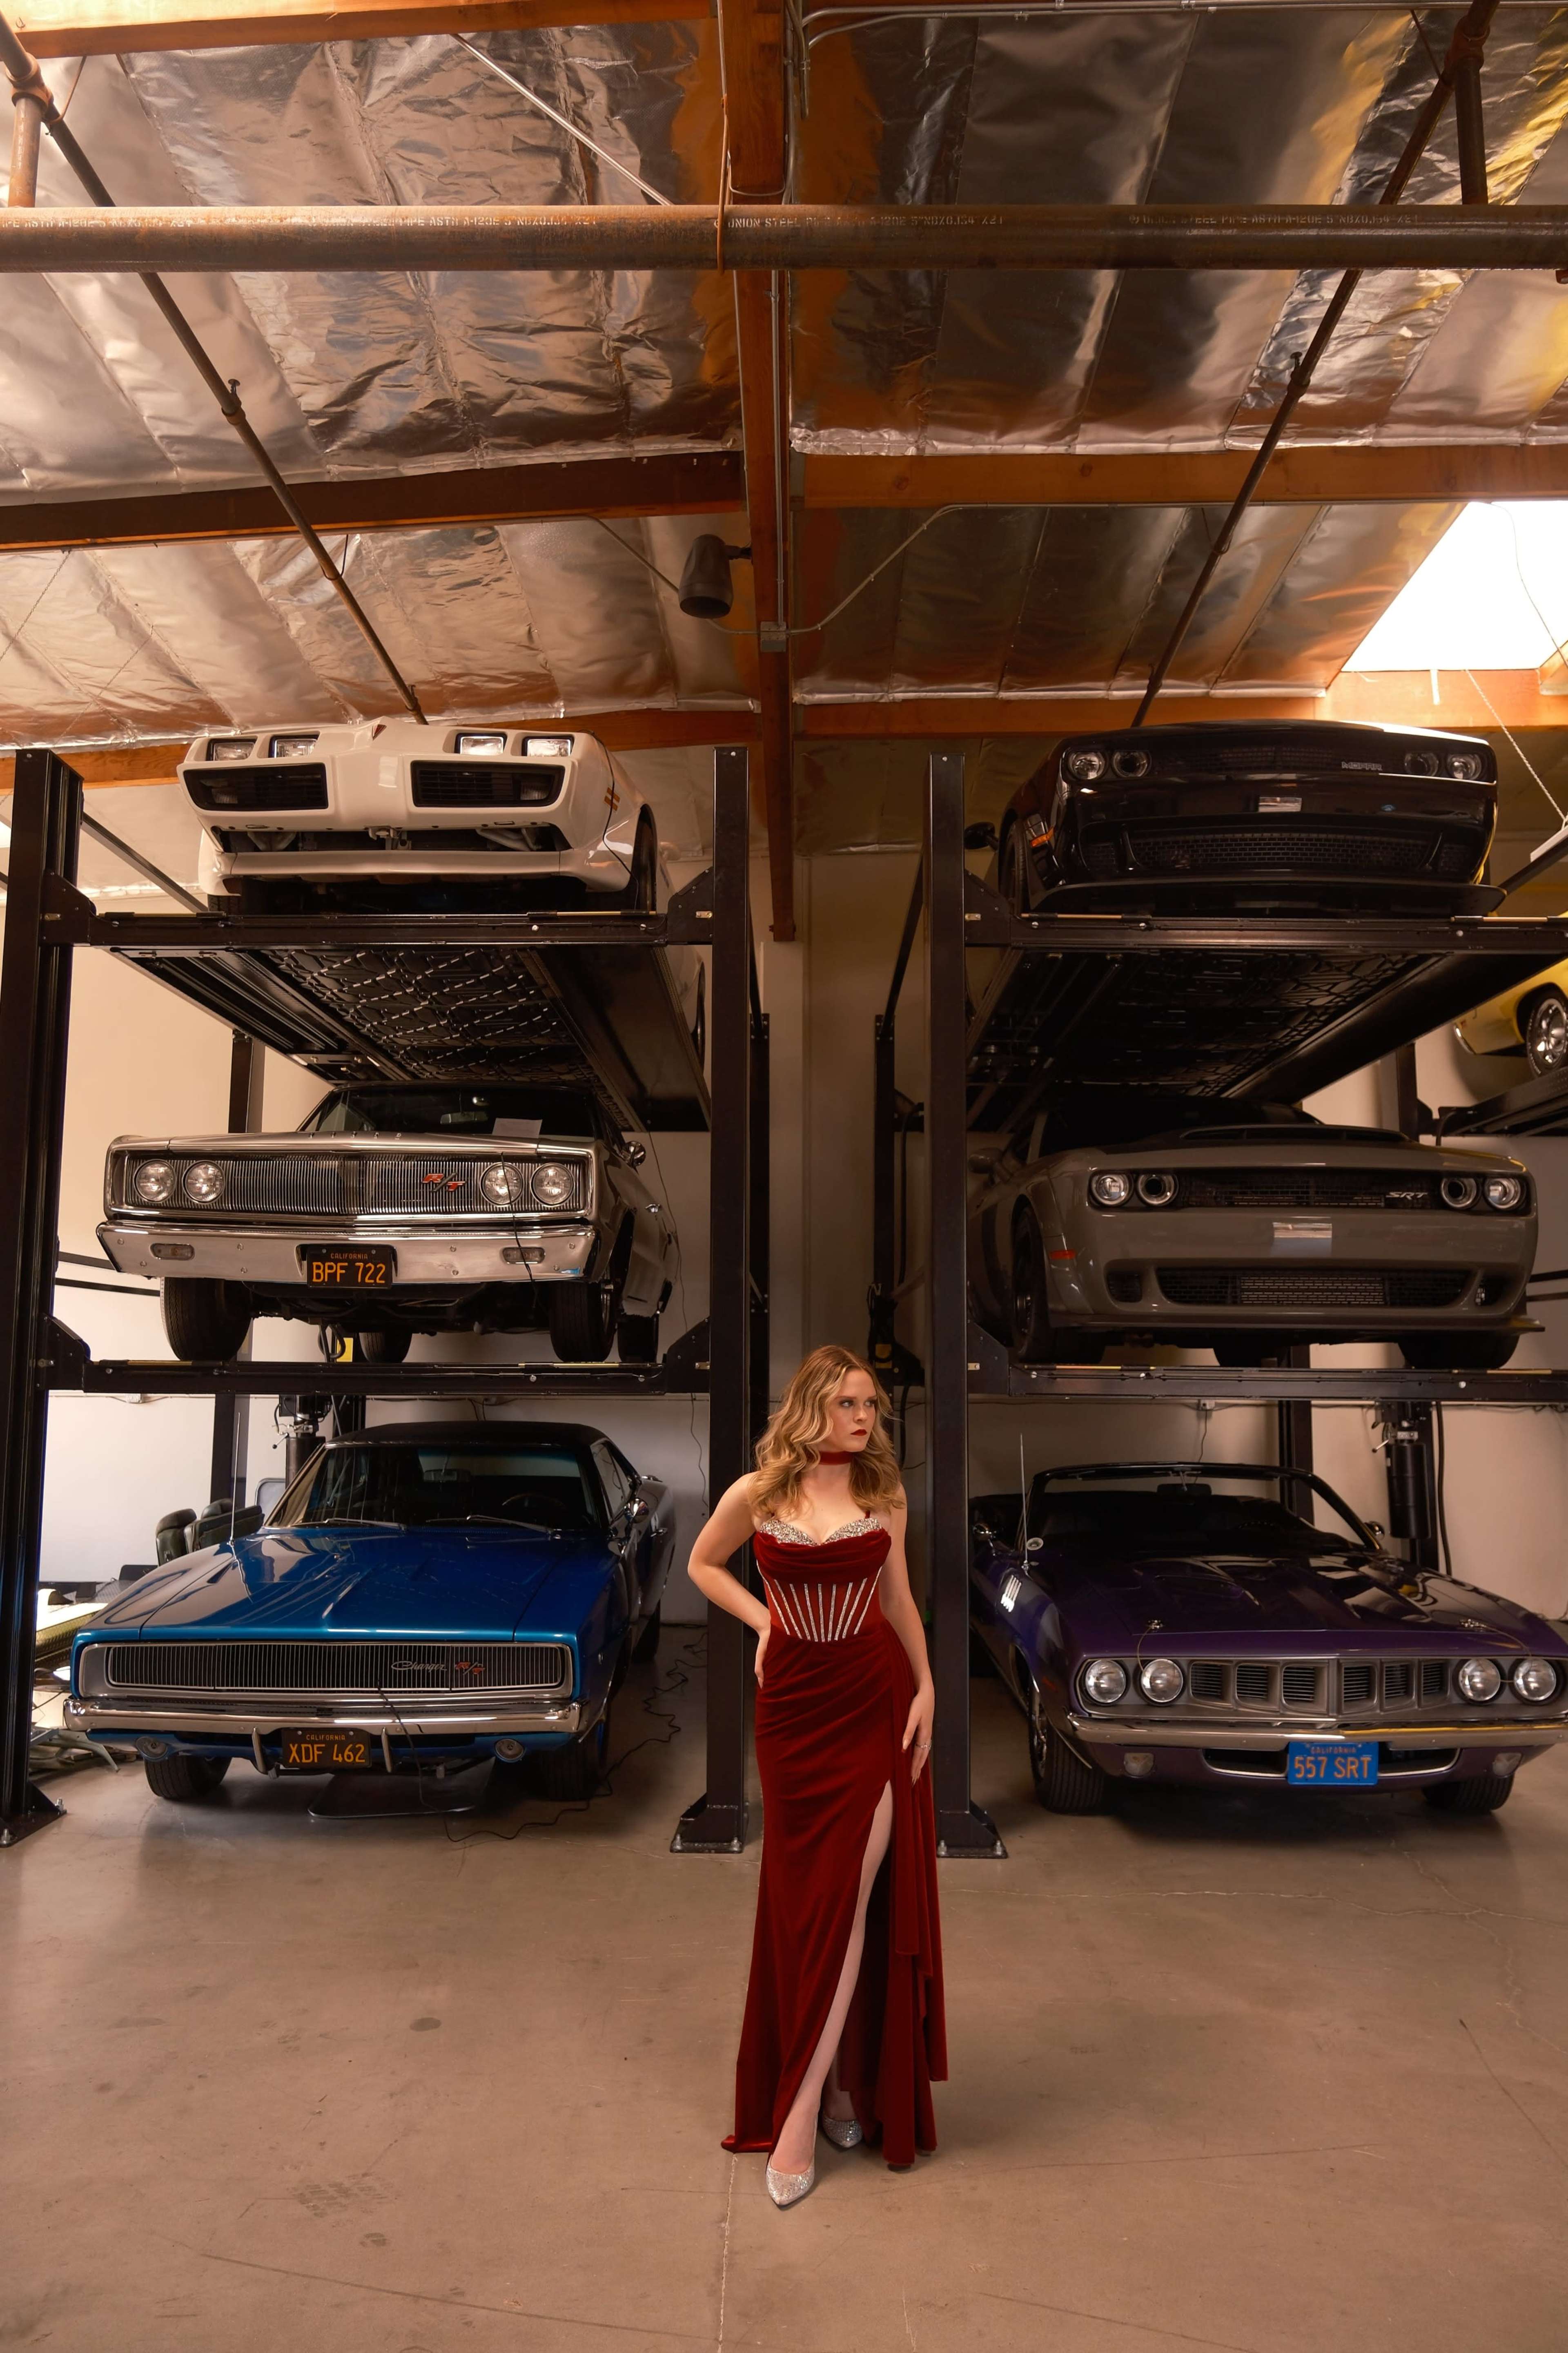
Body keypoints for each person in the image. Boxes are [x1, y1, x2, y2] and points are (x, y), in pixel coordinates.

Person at [686, 1344, 945, 2207]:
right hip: (793, 1714)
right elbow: (702, 1564)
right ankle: (837, 2087)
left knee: (847, 1900)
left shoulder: (884, 1492)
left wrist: (931, 1687)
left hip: (873, 1702)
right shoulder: (758, 1493)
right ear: (811, 1408)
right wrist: (766, 1621)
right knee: (804, 1904)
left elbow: (900, 1599)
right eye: (847, 1404)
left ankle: (798, 2117)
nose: (865, 1418)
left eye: (871, 1403)